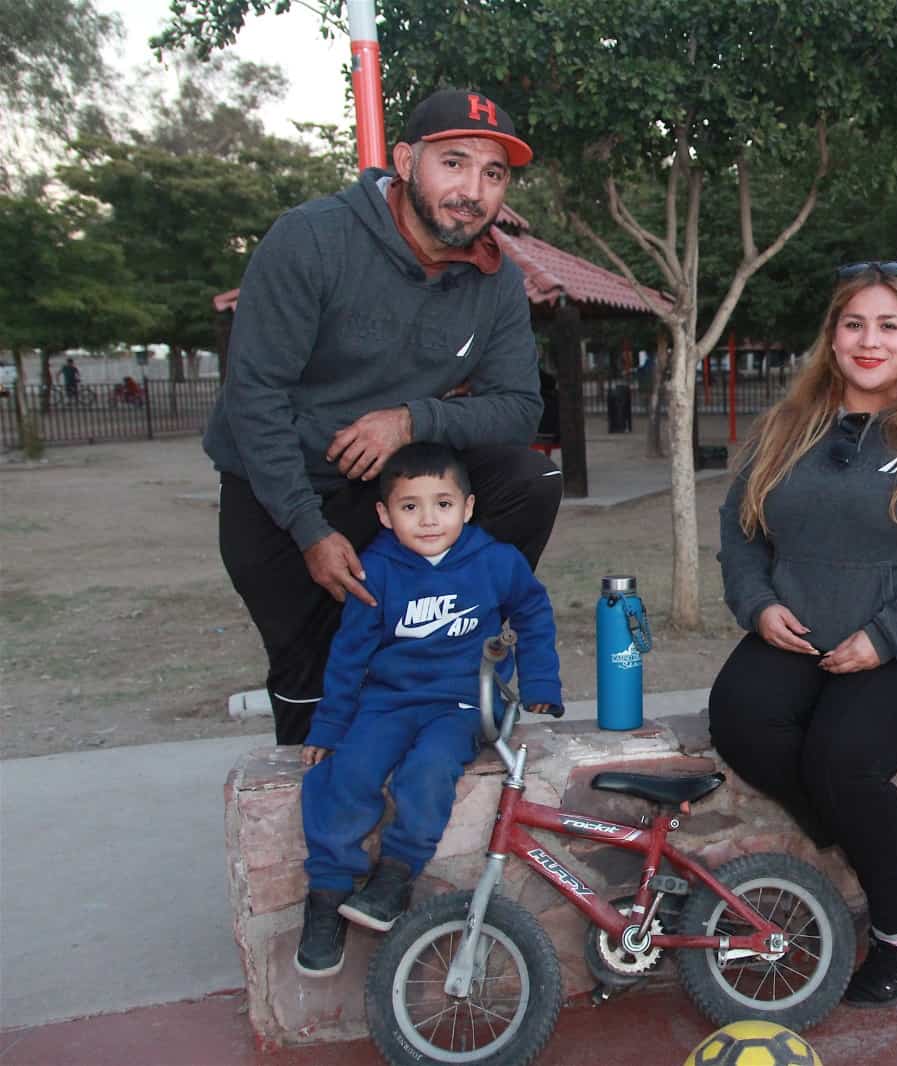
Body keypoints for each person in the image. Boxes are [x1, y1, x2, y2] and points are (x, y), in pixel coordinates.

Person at [204, 89, 563, 746]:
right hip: (277, 491)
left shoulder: (497, 281)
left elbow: (519, 410)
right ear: (405, 160)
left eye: (494, 173)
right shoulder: (310, 240)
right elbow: (255, 398)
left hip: (387, 485)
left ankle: (453, 642)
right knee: (314, 697)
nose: (473, 190)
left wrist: (408, 421)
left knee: (528, 478)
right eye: (453, 162)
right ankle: (314, 827)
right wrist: (309, 531)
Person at [710, 261, 897, 1008]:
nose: (869, 341)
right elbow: (739, 531)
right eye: (854, 325)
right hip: (801, 627)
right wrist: (756, 605)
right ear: (832, 337)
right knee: (739, 718)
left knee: (843, 757)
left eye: (887, 326)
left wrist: (887, 637)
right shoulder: (787, 424)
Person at [293, 442, 561, 978]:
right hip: (387, 701)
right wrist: (329, 724)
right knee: (345, 772)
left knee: (428, 771)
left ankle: (394, 877)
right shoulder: (376, 570)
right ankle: (327, 892)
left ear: (467, 507)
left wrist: (540, 681)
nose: (428, 518)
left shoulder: (496, 562)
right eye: (410, 507)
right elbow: (350, 655)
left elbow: (533, 613)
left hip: (461, 704)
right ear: (385, 515)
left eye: (442, 503)